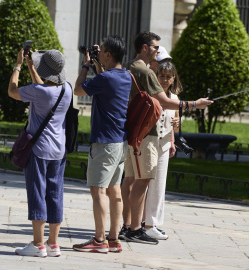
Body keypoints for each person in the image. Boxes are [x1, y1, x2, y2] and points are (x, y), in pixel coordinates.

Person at [120, 31, 213, 245]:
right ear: (144, 47)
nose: (157, 51)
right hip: (147, 134)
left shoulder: (128, 67)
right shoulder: (144, 72)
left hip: (134, 133)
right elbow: (163, 101)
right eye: (154, 47)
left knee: (133, 180)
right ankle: (135, 229)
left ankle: (128, 226)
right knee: (142, 182)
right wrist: (194, 104)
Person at [8, 48, 71, 257]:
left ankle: (37, 245)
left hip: (39, 150)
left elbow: (12, 91)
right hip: (58, 151)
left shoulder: (40, 91)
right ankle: (53, 244)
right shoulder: (67, 89)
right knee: (55, 194)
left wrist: (18, 66)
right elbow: (43, 87)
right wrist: (31, 67)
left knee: (37, 194)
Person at [72, 35, 131, 253]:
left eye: (102, 51)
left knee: (98, 190)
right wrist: (97, 63)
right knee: (114, 190)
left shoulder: (105, 79)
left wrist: (86, 65)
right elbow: (106, 81)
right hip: (120, 142)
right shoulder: (125, 75)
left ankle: (99, 240)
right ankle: (114, 239)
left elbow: (78, 89)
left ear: (107, 54)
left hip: (105, 142)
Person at [144, 61, 181, 240]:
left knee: (158, 185)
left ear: (173, 79)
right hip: (148, 144)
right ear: (156, 76)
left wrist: (175, 133)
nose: (165, 80)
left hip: (164, 145)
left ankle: (154, 223)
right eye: (162, 76)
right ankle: (142, 222)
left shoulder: (175, 99)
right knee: (143, 183)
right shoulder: (152, 95)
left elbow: (176, 125)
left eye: (168, 77)